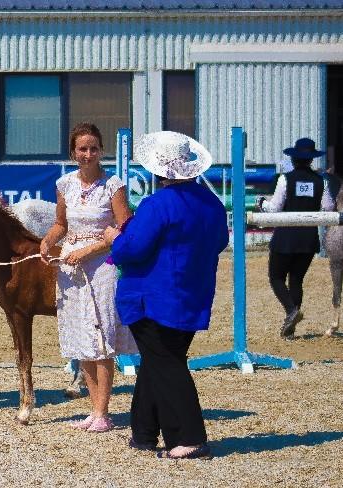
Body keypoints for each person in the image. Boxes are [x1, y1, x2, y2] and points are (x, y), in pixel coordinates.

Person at [102, 131, 228, 460]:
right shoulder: (211, 203)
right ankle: (143, 433)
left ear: (158, 172)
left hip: (153, 297)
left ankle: (189, 438)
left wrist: (115, 237)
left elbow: (133, 248)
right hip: (192, 294)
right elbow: (219, 243)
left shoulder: (157, 204)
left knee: (165, 363)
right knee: (159, 362)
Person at [39, 122, 137, 433]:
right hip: (70, 269)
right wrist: (46, 241)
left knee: (101, 335)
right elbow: (60, 224)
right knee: (82, 338)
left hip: (102, 266)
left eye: (94, 148)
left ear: (101, 151)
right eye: (82, 148)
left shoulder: (114, 185)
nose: (88, 154)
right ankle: (94, 410)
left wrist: (90, 249)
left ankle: (103, 411)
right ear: (73, 152)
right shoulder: (64, 184)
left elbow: (124, 228)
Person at [257, 137, 334, 338]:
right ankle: (291, 328)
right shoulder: (321, 181)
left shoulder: (285, 179)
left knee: (276, 277)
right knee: (297, 280)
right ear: (311, 160)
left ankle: (291, 312)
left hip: (285, 238)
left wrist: (261, 203)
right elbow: (327, 208)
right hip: (308, 239)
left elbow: (274, 208)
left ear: (293, 159)